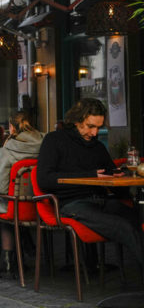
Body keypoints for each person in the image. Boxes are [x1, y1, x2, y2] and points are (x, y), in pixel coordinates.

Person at [36, 98, 143, 268]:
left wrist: (120, 179)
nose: (94, 133)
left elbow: (111, 179)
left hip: (100, 201)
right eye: (90, 126)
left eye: (99, 128)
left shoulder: (97, 147)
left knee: (137, 218)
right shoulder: (54, 140)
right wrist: (89, 175)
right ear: (77, 120)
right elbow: (44, 179)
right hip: (71, 204)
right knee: (124, 227)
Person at [0, 112, 43, 279]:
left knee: (2, 205)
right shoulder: (46, 142)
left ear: (12, 127)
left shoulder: (8, 148)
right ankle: (33, 253)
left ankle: (7, 261)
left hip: (16, 207)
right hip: (42, 205)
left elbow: (1, 186)